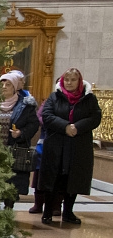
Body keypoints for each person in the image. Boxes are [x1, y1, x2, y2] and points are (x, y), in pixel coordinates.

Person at [40, 68, 102, 225]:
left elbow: (95, 117)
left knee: (73, 179)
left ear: (79, 82)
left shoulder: (89, 99)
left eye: (73, 80)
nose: (69, 83)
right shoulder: (54, 97)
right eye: (67, 80)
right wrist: (66, 126)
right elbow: (46, 115)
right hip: (56, 144)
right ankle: (47, 212)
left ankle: (68, 212)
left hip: (78, 145)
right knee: (53, 178)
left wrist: (77, 127)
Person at [0, 71, 39, 208]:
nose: (4, 87)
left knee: (12, 183)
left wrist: (21, 133)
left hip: (15, 149)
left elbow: (34, 124)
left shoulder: (25, 105)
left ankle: (9, 209)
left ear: (15, 87)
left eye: (8, 84)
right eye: (2, 84)